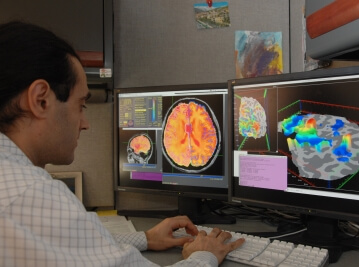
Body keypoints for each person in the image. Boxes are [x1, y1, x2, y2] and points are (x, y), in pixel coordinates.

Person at [0, 21, 244, 267]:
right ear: (41, 100)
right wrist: (205, 254)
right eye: (80, 105)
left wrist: (145, 238)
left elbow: (75, 243)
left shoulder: (13, 186)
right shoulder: (31, 195)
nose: (85, 123)